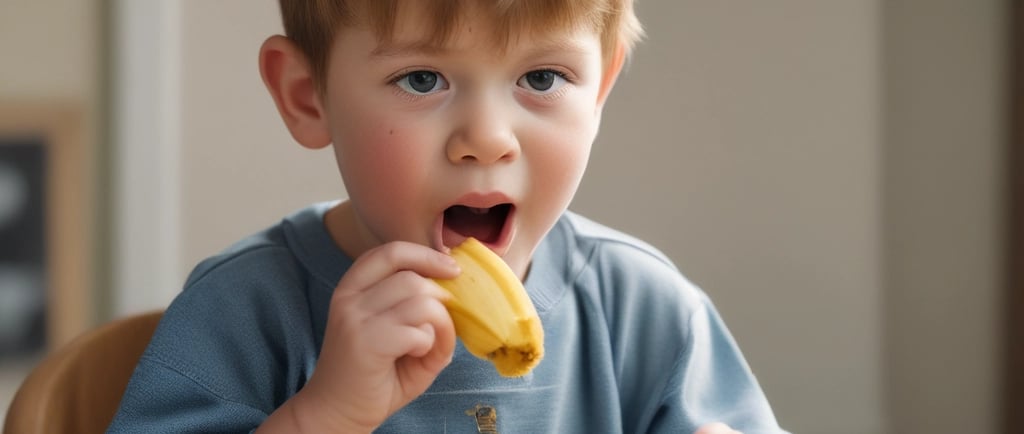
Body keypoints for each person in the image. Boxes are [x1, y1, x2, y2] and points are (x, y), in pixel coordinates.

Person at [108, 1, 788, 433]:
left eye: (543, 78)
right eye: (422, 79)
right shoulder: (244, 313)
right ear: (307, 96)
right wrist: (327, 415)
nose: (488, 138)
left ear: (602, 87)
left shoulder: (645, 312)